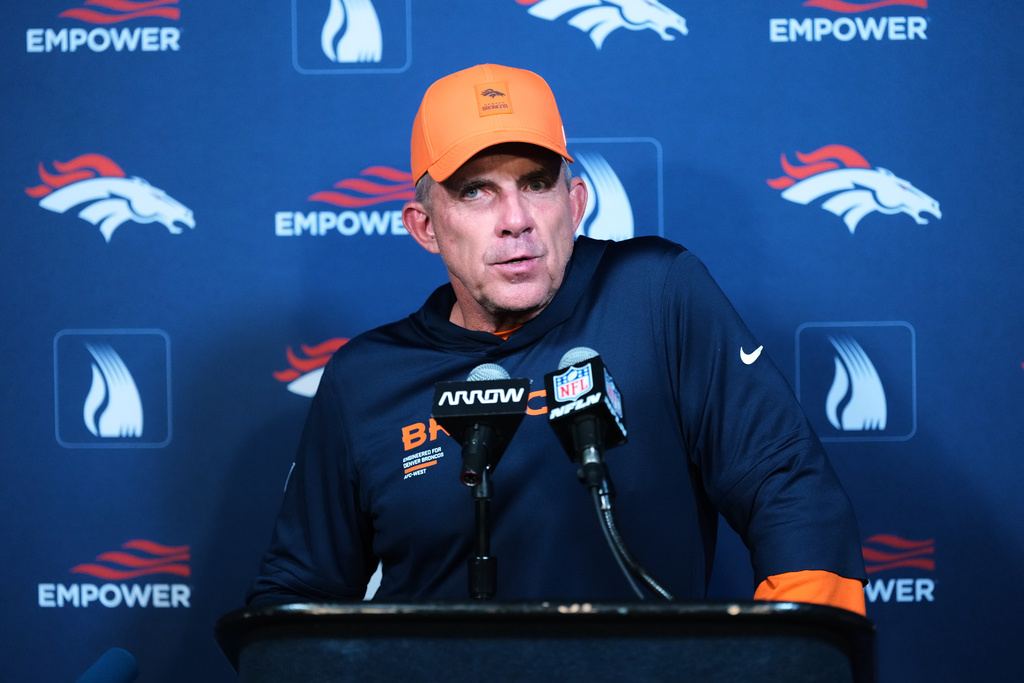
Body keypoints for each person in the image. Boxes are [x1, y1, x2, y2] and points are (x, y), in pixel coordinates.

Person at [247, 63, 867, 614]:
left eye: (536, 184)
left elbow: (788, 486)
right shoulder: (366, 378)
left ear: (575, 203)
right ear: (424, 226)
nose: (515, 220)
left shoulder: (656, 294)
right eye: (475, 191)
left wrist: (798, 661)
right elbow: (297, 595)